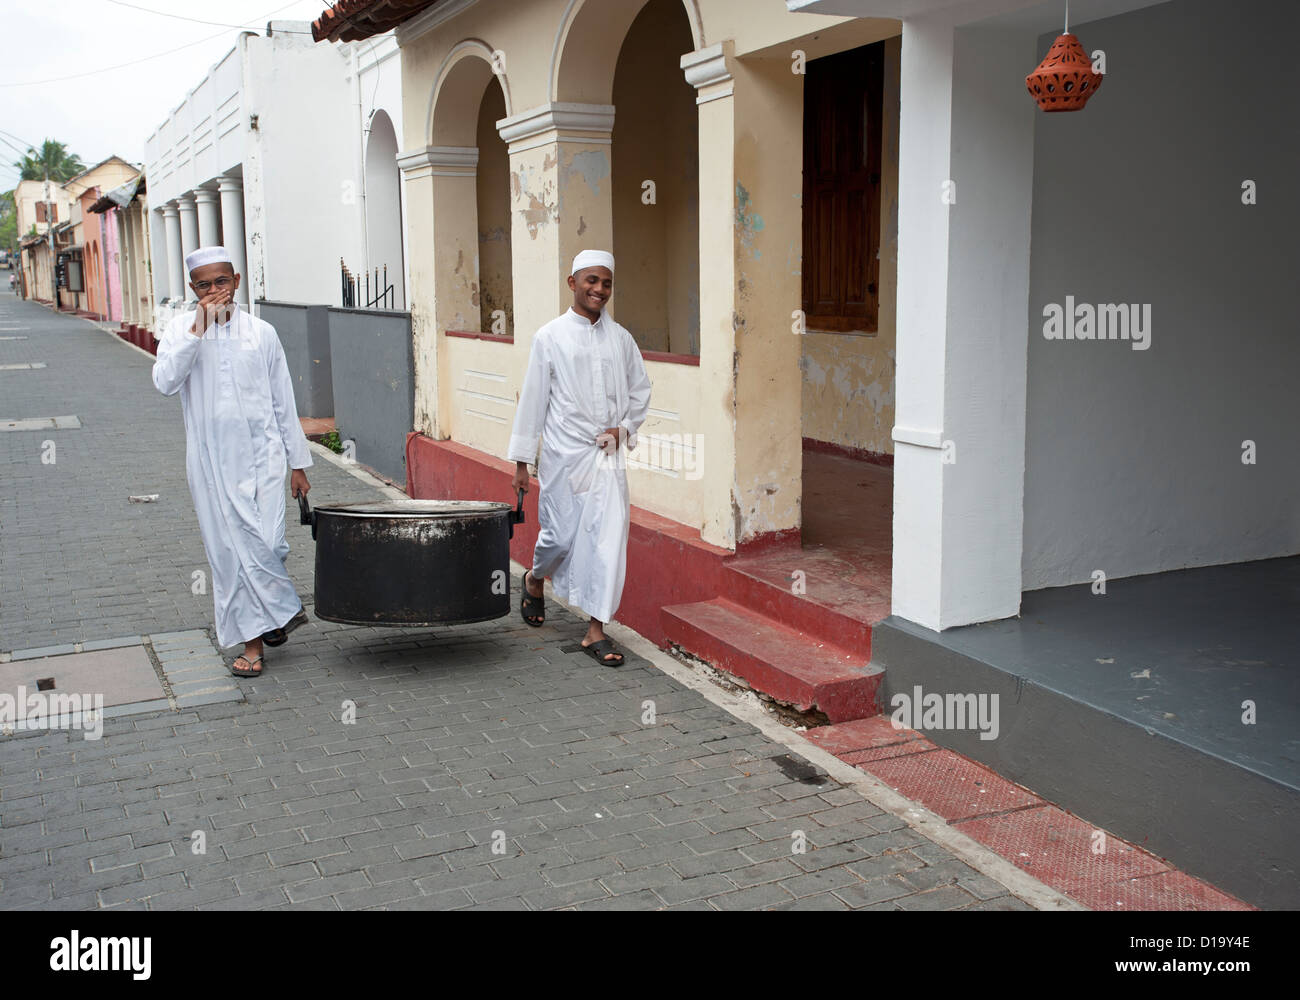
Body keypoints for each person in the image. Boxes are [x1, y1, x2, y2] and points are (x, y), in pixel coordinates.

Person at [152, 246, 312, 677]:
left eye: (221, 282)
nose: (214, 291)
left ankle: (273, 610)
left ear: (236, 281)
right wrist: (196, 330)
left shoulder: (262, 333)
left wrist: (298, 465)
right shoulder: (178, 330)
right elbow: (165, 382)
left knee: (269, 545)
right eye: (204, 285)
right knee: (230, 557)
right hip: (210, 466)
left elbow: (283, 401)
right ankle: (255, 643)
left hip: (266, 460)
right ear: (193, 289)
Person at [508, 250, 652, 666]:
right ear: (572, 283)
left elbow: (640, 392)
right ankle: (535, 580)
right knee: (560, 537)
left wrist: (622, 430)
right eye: (592, 281)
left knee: (606, 542)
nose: (599, 290)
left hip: (606, 458)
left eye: (606, 283)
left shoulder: (621, 338)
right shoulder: (549, 337)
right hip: (562, 457)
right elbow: (533, 401)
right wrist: (521, 461)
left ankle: (595, 631)